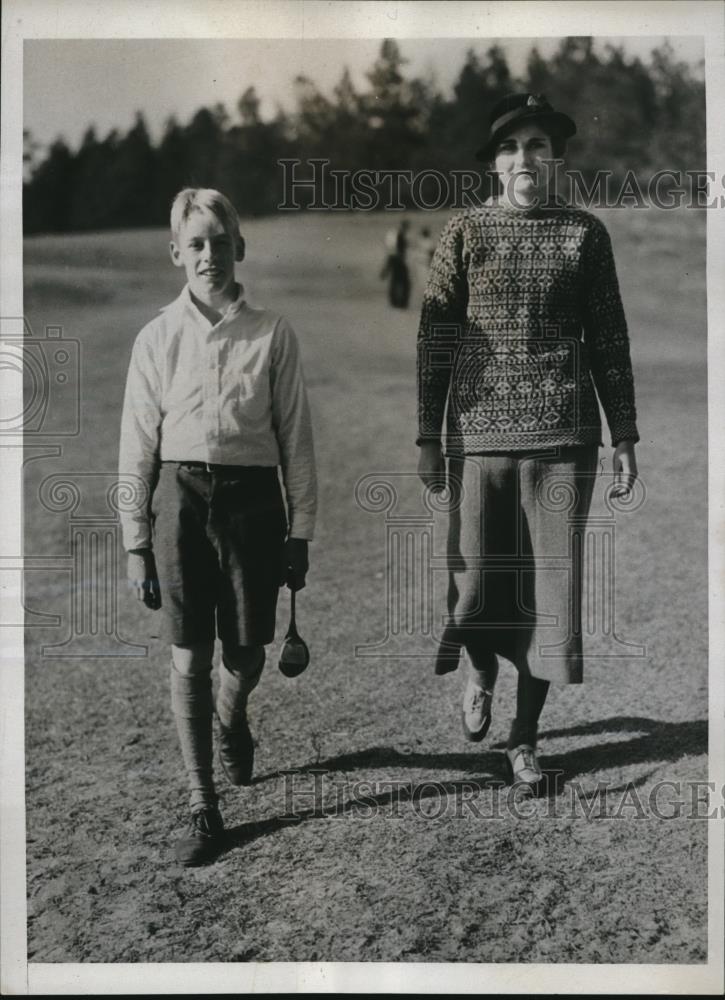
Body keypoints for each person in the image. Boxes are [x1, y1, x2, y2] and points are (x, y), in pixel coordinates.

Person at [416, 93, 639, 790]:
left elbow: (608, 336)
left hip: (565, 436)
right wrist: (427, 433)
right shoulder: (461, 232)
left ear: (557, 158)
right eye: (511, 148)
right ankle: (480, 670)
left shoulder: (584, 234)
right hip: (477, 438)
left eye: (538, 145)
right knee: (479, 586)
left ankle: (523, 738)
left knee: (550, 594)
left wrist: (623, 431)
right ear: (493, 163)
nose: (525, 159)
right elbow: (434, 339)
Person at [119, 188, 317, 865]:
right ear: (176, 252)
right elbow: (136, 445)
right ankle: (203, 803)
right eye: (194, 244)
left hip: (254, 507)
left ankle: (232, 717)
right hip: (180, 503)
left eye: (219, 242)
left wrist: (300, 532)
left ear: (240, 247)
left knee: (245, 654)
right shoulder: (157, 337)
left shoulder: (271, 333)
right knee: (188, 656)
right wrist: (135, 542)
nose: (208, 255)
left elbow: (296, 440)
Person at [381, 219, 411, 308]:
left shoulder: (394, 233)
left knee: (395, 281)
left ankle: (395, 302)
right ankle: (402, 302)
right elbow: (399, 250)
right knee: (404, 282)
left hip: (393, 259)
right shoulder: (400, 235)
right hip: (398, 260)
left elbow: (390, 249)